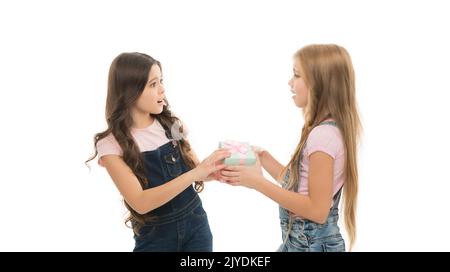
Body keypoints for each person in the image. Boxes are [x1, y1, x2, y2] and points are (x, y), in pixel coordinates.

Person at [220, 44, 361, 251]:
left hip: (310, 243)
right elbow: (300, 185)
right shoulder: (327, 131)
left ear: (319, 83)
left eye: (296, 75)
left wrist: (258, 183)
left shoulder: (323, 137)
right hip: (300, 241)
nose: (289, 82)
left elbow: (317, 210)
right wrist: (264, 157)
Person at [86, 52, 230, 251]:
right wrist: (196, 173)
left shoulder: (171, 124)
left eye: (161, 81)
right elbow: (140, 202)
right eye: (153, 84)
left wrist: (213, 171)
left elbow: (193, 168)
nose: (162, 89)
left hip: (196, 227)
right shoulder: (111, 145)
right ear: (131, 91)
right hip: (155, 240)